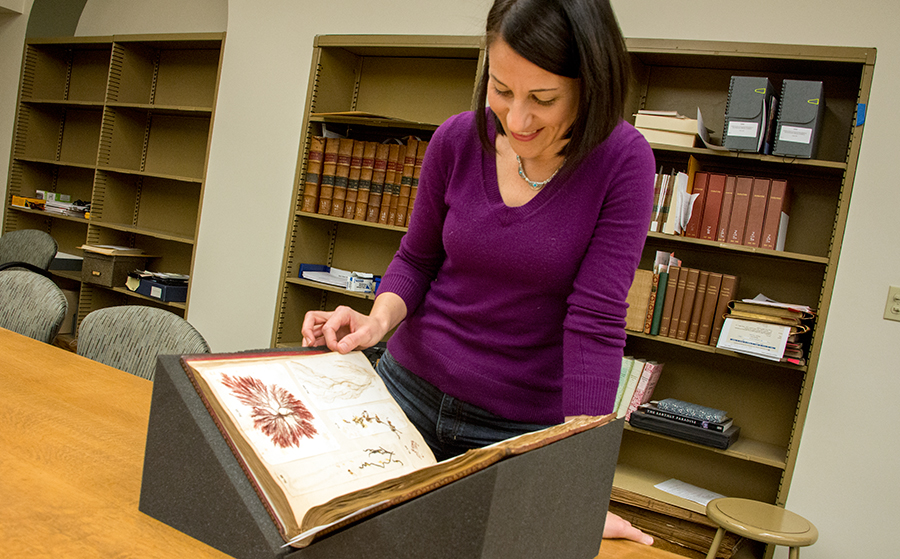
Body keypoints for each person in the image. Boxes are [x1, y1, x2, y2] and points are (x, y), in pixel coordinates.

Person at [302, 0, 655, 545]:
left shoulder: (623, 162)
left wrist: (577, 486)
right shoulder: (455, 139)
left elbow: (596, 322)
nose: (517, 120)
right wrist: (378, 322)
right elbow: (417, 260)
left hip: (514, 434)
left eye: (543, 99)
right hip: (404, 395)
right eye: (502, 90)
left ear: (592, 82)